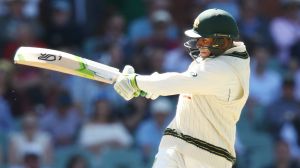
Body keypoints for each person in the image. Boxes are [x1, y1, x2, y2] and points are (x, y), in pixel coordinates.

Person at [114, 8, 250, 168]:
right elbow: (186, 86)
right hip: (176, 143)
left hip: (207, 156)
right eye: (198, 39)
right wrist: (150, 87)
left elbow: (179, 81)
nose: (198, 44)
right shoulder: (214, 59)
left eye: (204, 40)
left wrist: (137, 81)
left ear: (223, 41)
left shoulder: (226, 70)